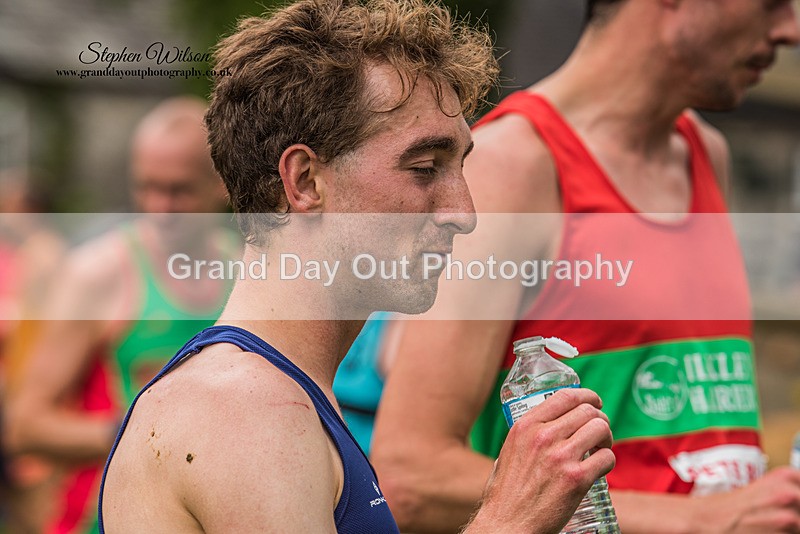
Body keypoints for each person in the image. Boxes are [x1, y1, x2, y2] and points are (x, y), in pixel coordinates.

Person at [97, 1, 616, 532]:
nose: (464, 213)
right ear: (304, 181)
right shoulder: (246, 409)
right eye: (423, 168)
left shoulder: (282, 389)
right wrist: (510, 520)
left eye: (459, 166)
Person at [372, 0, 800, 533]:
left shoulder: (706, 154)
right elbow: (409, 477)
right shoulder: (512, 167)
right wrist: (697, 520)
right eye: (771, 4)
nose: (790, 30)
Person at [3, 96, 237, 534]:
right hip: (104, 519)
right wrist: (141, 431)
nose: (159, 207)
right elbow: (24, 427)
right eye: (146, 187)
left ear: (221, 183)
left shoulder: (246, 271)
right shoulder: (95, 274)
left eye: (178, 190)